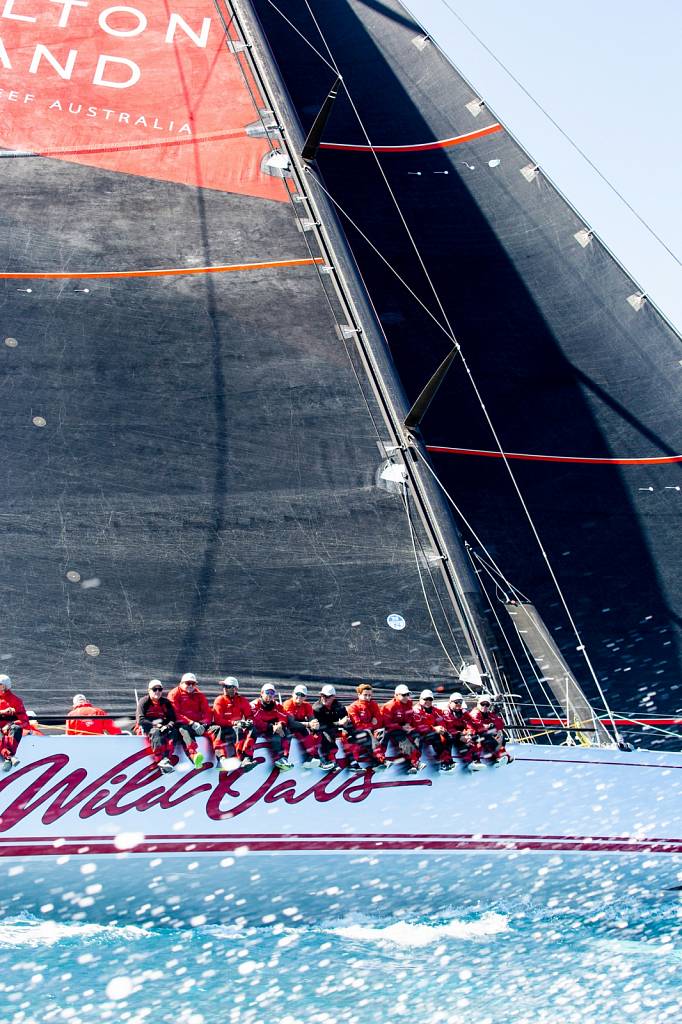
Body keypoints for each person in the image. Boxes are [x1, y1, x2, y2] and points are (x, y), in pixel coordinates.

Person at [243, 684, 293, 771]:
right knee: (251, 729)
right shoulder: (254, 705)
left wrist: (280, 725)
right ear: (261, 693)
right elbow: (256, 721)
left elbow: (283, 716)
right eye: (267, 692)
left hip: (269, 729)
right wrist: (272, 727)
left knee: (285, 732)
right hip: (258, 728)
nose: (270, 695)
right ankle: (247, 758)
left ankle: (282, 758)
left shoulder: (276, 705)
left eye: (272, 693)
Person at [167, 672, 212, 769]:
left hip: (197, 725)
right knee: (184, 730)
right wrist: (191, 723)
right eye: (188, 683)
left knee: (216, 730)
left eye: (193, 683)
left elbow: (207, 712)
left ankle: (222, 759)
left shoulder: (199, 694)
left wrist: (204, 724)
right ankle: (194, 756)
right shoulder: (174, 693)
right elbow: (175, 714)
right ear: (181, 683)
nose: (191, 686)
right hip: (182, 724)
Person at [210, 677, 254, 772]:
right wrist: (235, 722)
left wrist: (249, 721)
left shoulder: (242, 700)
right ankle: (223, 760)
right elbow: (218, 720)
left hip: (234, 728)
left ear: (235, 688)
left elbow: (249, 715)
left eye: (227, 686)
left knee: (252, 729)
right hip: (222, 728)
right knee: (235, 730)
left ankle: (246, 758)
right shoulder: (219, 699)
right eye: (224, 686)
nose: (224, 688)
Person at [135, 680, 178, 773]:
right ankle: (160, 759)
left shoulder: (165, 702)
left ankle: (167, 758)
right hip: (148, 727)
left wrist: (168, 726)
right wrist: (156, 725)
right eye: (155, 689)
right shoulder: (144, 701)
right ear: (149, 690)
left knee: (174, 732)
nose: (157, 692)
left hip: (163, 727)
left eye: (160, 689)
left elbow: (173, 718)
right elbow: (140, 720)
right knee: (156, 732)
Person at [380, 684, 424, 772]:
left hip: (403, 727)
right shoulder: (389, 706)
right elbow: (386, 723)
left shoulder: (409, 703)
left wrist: (408, 725)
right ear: (396, 695)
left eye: (408, 694)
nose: (406, 697)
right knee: (402, 738)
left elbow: (409, 716)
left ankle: (415, 761)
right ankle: (414, 762)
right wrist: (401, 727)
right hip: (391, 729)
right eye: (404, 695)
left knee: (418, 735)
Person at [345, 683, 386, 770]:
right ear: (359, 695)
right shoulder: (353, 707)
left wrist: (370, 726)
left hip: (370, 732)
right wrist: (371, 724)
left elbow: (378, 722)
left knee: (384, 732)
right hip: (357, 734)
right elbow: (358, 726)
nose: (368, 697)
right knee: (366, 735)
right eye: (365, 695)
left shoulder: (374, 704)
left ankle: (379, 761)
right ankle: (379, 760)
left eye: (370, 695)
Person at [412, 689, 453, 770]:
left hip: (430, 734)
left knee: (448, 735)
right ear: (420, 699)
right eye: (425, 699)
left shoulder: (435, 710)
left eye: (430, 699)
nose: (428, 701)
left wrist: (442, 729)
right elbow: (419, 726)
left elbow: (442, 722)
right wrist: (434, 728)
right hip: (420, 735)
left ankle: (446, 760)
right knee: (435, 735)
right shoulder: (416, 710)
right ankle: (414, 762)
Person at [312, 684, 350, 771]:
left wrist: (346, 720)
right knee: (326, 734)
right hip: (320, 730)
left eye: (327, 696)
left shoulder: (338, 705)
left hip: (333, 728)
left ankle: (352, 761)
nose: (324, 698)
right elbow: (322, 725)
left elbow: (345, 716)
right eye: (322, 695)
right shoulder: (317, 708)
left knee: (351, 733)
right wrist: (339, 723)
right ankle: (327, 760)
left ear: (333, 697)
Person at [282, 684, 321, 767]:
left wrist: (315, 724)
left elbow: (312, 720)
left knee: (319, 732)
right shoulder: (288, 704)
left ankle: (313, 757)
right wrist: (309, 724)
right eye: (297, 694)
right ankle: (284, 758)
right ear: (293, 694)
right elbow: (291, 723)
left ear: (305, 697)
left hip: (300, 728)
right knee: (295, 731)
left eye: (302, 695)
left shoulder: (307, 705)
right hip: (288, 727)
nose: (299, 697)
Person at [468, 693, 511, 765]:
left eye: (487, 705)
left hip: (483, 734)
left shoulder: (488, 714)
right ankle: (499, 757)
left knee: (499, 734)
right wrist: (488, 726)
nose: (484, 706)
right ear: (478, 704)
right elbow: (476, 725)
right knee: (489, 738)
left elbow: (500, 724)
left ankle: (502, 757)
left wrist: (493, 726)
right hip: (474, 734)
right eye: (482, 704)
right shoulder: (475, 713)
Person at [0, 674, 29, 772]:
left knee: (16, 729)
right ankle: (10, 757)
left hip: (8, 730)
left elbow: (24, 721)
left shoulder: (16, 701)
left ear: (4, 686)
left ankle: (8, 757)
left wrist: (9, 725)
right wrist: (3, 712)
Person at [441, 692, 477, 768]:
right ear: (450, 702)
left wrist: (469, 734)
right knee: (449, 739)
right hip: (451, 734)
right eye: (456, 702)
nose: (458, 704)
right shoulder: (446, 712)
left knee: (476, 737)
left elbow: (471, 724)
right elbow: (448, 727)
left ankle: (475, 761)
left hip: (462, 734)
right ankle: (447, 763)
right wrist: (460, 736)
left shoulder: (463, 712)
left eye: (460, 702)